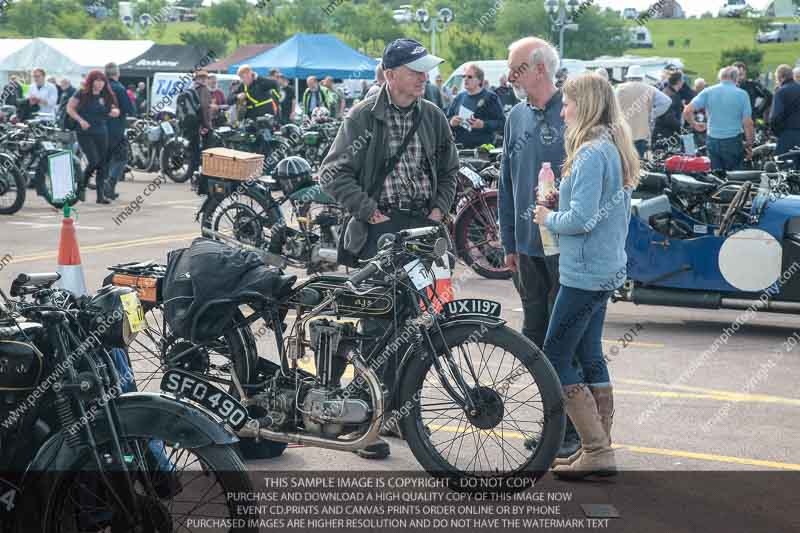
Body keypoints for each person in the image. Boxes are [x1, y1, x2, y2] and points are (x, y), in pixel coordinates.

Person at [320, 38, 458, 460]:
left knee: (418, 326)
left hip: (422, 229)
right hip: (381, 230)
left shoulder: (432, 114)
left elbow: (450, 169)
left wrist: (439, 210)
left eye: (425, 72)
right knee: (379, 329)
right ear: (390, 74)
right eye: (416, 71)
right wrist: (368, 210)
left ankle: (396, 413)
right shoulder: (364, 116)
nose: (424, 78)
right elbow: (331, 173)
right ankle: (366, 422)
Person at [532, 72, 637, 480]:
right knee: (590, 353)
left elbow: (582, 219)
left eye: (568, 102)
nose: (563, 110)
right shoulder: (611, 146)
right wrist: (567, 201)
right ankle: (600, 448)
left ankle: (595, 446)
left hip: (585, 271)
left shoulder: (592, 152)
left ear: (586, 105)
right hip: (605, 267)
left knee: (556, 354)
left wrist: (548, 216)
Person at [501, 36, 581, 460]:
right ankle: (553, 427)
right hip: (528, 249)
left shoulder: (573, 112)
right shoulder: (515, 115)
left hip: (564, 246)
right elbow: (506, 181)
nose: (509, 77)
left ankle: (576, 431)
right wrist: (509, 241)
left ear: (539, 70)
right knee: (533, 339)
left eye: (516, 69)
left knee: (565, 340)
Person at [684, 66, 753, 171]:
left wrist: (694, 124)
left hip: (712, 140)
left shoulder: (708, 91)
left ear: (720, 78)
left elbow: (687, 111)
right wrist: (749, 143)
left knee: (716, 176)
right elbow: (748, 123)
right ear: (736, 78)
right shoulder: (742, 94)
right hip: (733, 140)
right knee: (735, 178)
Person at [66, 70, 120, 204]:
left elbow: (116, 109)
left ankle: (100, 196)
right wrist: (80, 120)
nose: (100, 84)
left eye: (102, 81)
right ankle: (81, 187)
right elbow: (70, 108)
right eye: (97, 80)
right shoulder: (82, 93)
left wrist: (115, 112)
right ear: (91, 81)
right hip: (85, 132)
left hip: (102, 131)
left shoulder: (106, 95)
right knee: (94, 161)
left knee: (102, 164)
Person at [615, 65, 671, 158]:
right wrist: (652, 114)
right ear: (641, 77)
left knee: (622, 163)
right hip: (641, 135)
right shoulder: (649, 89)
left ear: (628, 77)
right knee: (638, 164)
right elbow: (666, 101)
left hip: (623, 134)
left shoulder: (619, 89)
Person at [446, 63, 505, 148]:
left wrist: (483, 124)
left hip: (483, 150)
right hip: (460, 149)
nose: (465, 79)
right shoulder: (459, 97)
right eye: (464, 76)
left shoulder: (490, 97)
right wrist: (451, 122)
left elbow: (502, 123)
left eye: (470, 77)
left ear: (480, 80)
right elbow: (446, 120)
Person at [104, 62, 136, 200]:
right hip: (115, 128)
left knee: (107, 158)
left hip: (100, 127)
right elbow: (130, 108)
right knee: (122, 157)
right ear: (117, 73)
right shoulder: (119, 88)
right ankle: (110, 183)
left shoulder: (100, 87)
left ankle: (106, 189)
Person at [183, 70, 212, 178]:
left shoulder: (190, 89)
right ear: (199, 79)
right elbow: (205, 108)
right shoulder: (204, 90)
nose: (205, 80)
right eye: (203, 78)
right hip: (201, 125)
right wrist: (206, 125)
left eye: (205, 78)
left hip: (191, 125)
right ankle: (204, 176)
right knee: (206, 150)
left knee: (193, 150)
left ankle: (192, 174)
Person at [652, 70, 686, 154]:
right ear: (679, 81)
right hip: (666, 135)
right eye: (682, 80)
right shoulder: (672, 96)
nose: (683, 82)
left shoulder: (665, 91)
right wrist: (681, 128)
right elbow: (669, 118)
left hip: (660, 133)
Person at [769, 64, 800, 158]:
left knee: (784, 167)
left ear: (781, 77)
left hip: (788, 135)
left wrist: (776, 133)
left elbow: (775, 117)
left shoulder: (781, 92)